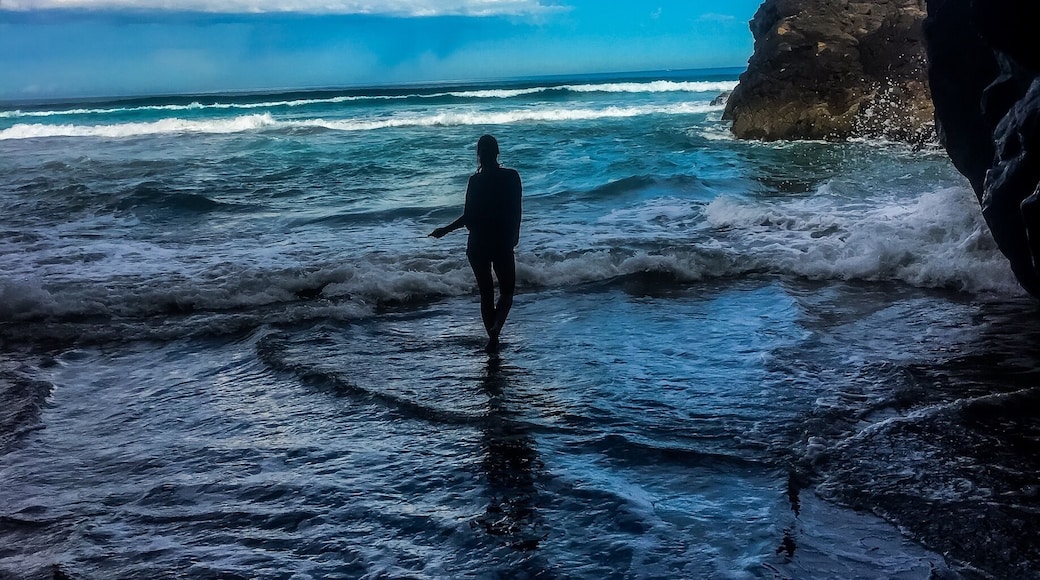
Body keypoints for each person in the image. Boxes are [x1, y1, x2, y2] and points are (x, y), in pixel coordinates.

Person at [430, 134, 522, 351]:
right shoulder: (511, 177)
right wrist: (514, 235)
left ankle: (492, 336)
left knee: (486, 293)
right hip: (501, 240)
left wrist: (445, 230)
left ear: (479, 155)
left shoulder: (475, 181)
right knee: (507, 292)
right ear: (497, 152)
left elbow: (468, 216)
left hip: (477, 243)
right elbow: (516, 210)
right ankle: (495, 329)